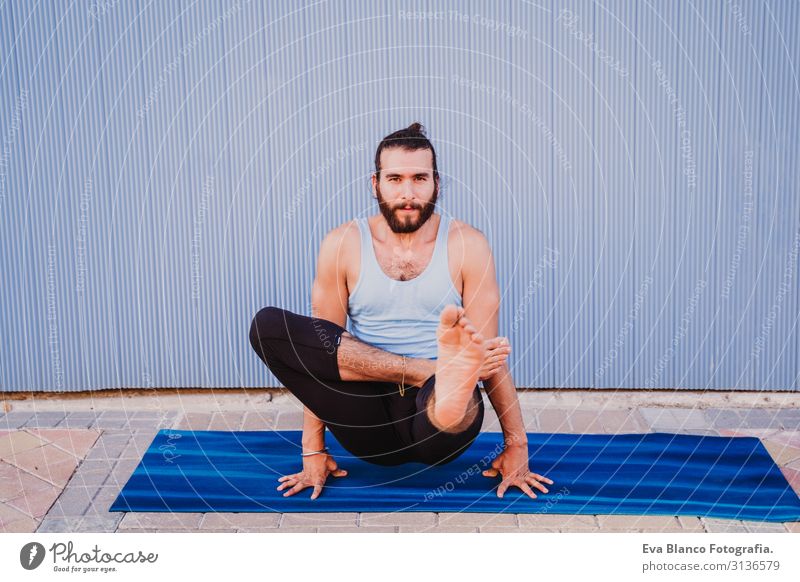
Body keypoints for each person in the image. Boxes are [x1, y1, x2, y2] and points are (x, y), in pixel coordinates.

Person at [249, 122, 553, 501]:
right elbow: (322, 350)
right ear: (375, 184)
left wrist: (517, 445)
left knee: (459, 383)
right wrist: (313, 449)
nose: (407, 193)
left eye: (419, 179)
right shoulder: (343, 243)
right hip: (363, 412)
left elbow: (488, 356)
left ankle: (449, 381)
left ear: (436, 184)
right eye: (395, 178)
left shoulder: (467, 245)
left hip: (440, 422)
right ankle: (439, 371)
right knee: (269, 327)